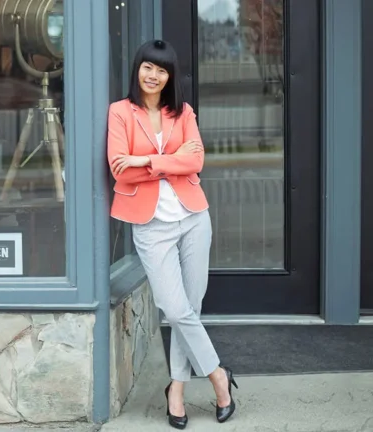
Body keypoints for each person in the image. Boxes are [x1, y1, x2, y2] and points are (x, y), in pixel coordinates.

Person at [107, 39, 238, 429]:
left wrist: (147, 159)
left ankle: (176, 389)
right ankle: (218, 375)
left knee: (190, 309)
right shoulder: (120, 112)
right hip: (150, 226)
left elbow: (196, 159)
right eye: (148, 66)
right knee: (175, 307)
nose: (153, 75)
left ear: (170, 77)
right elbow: (119, 168)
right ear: (138, 68)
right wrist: (171, 162)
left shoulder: (182, 113)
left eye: (161, 70)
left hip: (194, 217)